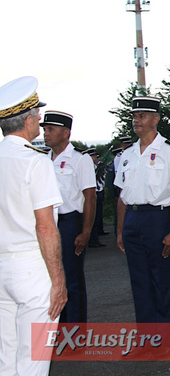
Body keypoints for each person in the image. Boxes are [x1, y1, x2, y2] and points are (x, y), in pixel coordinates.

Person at [0, 76, 66, 376]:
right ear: (28, 120)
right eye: (37, 114)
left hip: (2, 265)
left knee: (6, 361)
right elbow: (46, 227)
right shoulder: (35, 162)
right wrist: (59, 281)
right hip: (31, 267)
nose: (40, 119)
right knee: (33, 364)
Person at [115, 96, 170, 345]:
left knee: (162, 281)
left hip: (157, 218)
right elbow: (122, 196)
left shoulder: (169, 151)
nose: (136, 120)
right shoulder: (127, 154)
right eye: (134, 116)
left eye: (142, 116)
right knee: (140, 282)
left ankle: (164, 340)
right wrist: (120, 230)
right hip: (132, 219)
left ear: (155, 119)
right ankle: (146, 338)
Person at [42, 110, 97, 323]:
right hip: (48, 223)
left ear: (66, 133)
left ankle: (75, 332)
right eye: (45, 129)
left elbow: (90, 197)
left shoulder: (80, 160)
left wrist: (86, 231)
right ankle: (58, 328)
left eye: (50, 129)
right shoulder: (43, 160)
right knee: (51, 279)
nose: (46, 134)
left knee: (71, 280)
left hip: (69, 223)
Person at [83, 148, 107, 248]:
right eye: (94, 157)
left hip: (99, 192)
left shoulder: (97, 167)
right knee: (94, 217)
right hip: (94, 194)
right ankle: (93, 239)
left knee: (98, 216)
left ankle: (95, 237)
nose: (96, 159)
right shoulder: (89, 168)